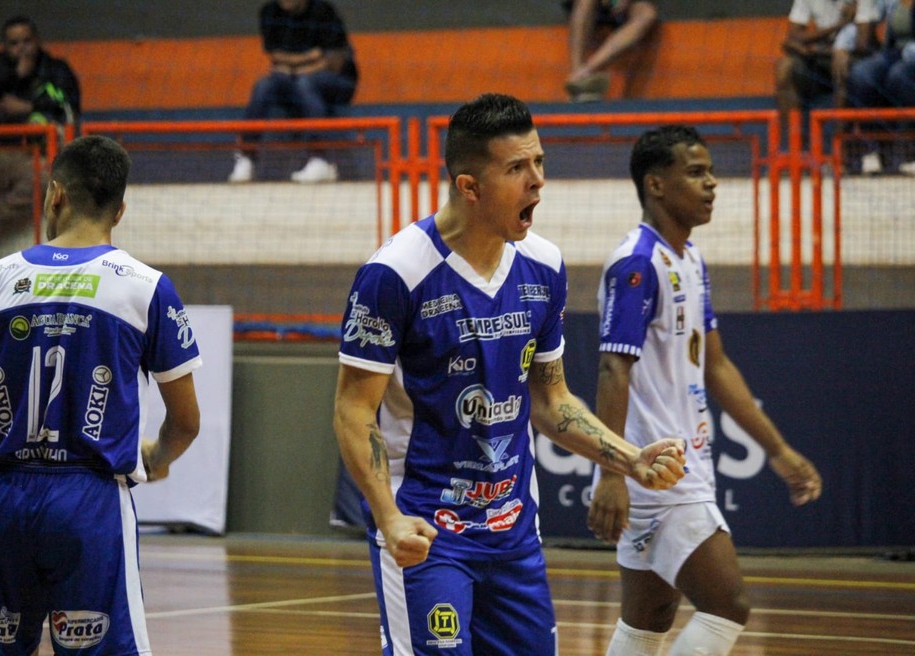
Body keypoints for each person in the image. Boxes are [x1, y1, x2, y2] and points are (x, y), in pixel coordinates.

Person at [332, 93, 687, 655]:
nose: (537, 182)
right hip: (427, 533)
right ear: (470, 187)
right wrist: (389, 519)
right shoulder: (394, 273)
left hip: (514, 531)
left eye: (539, 163)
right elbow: (353, 410)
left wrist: (631, 459)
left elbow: (551, 400)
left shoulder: (543, 265)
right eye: (517, 168)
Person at [0, 135, 202, 656]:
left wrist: (5, 455)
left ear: (54, 194)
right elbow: (185, 421)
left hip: (2, 498)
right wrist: (158, 459)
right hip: (90, 499)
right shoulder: (146, 288)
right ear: (120, 210)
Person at [589, 125, 824, 655]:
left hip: (680, 463)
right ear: (656, 184)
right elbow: (612, 371)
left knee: (649, 617)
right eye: (696, 173)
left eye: (711, 172)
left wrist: (778, 450)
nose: (712, 183)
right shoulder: (636, 263)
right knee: (729, 604)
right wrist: (612, 472)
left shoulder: (688, 259)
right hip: (656, 468)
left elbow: (716, 365)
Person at [0, 15, 81, 265]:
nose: (21, 48)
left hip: (32, 154)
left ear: (37, 41)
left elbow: (70, 106)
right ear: (5, 45)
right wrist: (13, 74)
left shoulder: (55, 69)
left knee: (46, 181)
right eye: (14, 43)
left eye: (26, 41)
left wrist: (28, 107)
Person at [228, 0, 358, 184]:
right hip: (292, 78)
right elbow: (275, 56)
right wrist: (310, 58)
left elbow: (333, 63)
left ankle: (319, 159)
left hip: (338, 82)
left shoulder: (323, 11)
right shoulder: (270, 12)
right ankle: (246, 157)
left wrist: (294, 67)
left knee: (305, 84)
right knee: (264, 86)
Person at [775, 0, 881, 144]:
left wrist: (829, 50)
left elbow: (863, 44)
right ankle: (793, 150)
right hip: (821, 56)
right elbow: (794, 36)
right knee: (785, 67)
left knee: (841, 65)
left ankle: (841, 152)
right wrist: (840, 24)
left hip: (854, 57)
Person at [846, 0, 915, 175]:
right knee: (862, 74)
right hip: (894, 53)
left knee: (897, 76)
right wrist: (842, 46)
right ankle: (878, 145)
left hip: (910, 56)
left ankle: (903, 146)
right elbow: (861, 24)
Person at [563, 0, 659, 102]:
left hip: (625, 6)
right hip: (593, 5)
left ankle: (585, 72)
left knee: (647, 14)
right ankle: (576, 73)